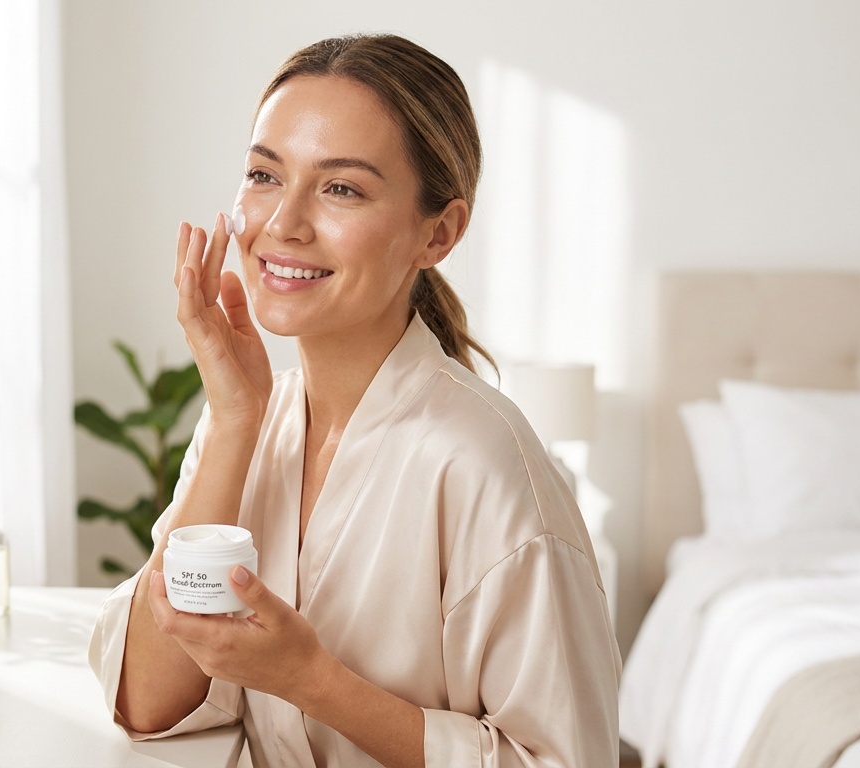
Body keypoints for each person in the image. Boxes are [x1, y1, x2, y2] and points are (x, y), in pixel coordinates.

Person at [90, 33, 620, 767]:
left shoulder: (487, 469)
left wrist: (313, 681)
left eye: (341, 188)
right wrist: (235, 424)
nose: (284, 223)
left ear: (439, 233)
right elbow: (148, 703)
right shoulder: (254, 420)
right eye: (264, 174)